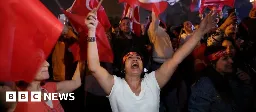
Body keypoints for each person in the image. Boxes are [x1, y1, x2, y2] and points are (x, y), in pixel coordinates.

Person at [85, 9, 217, 112]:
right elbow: (94, 67)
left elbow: (177, 58)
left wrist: (199, 32)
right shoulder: (115, 86)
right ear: (123, 66)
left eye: (138, 57)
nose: (135, 58)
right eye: (130, 57)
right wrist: (91, 31)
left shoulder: (152, 81)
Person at [14, 60, 82, 112]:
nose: (47, 64)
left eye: (45, 59)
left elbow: (76, 83)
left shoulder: (48, 87)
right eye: (39, 61)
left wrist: (84, 51)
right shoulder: (22, 100)